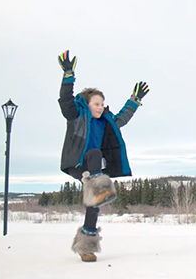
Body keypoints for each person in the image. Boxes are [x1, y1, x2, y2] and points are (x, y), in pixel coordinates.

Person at [57, 50, 149, 262]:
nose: (100, 107)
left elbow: (123, 117)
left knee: (93, 206)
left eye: (102, 104)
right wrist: (68, 75)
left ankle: (86, 247)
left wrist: (135, 99)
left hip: (95, 170)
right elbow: (65, 101)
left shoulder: (106, 120)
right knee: (94, 154)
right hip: (78, 164)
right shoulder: (77, 115)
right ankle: (99, 187)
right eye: (96, 103)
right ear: (87, 104)